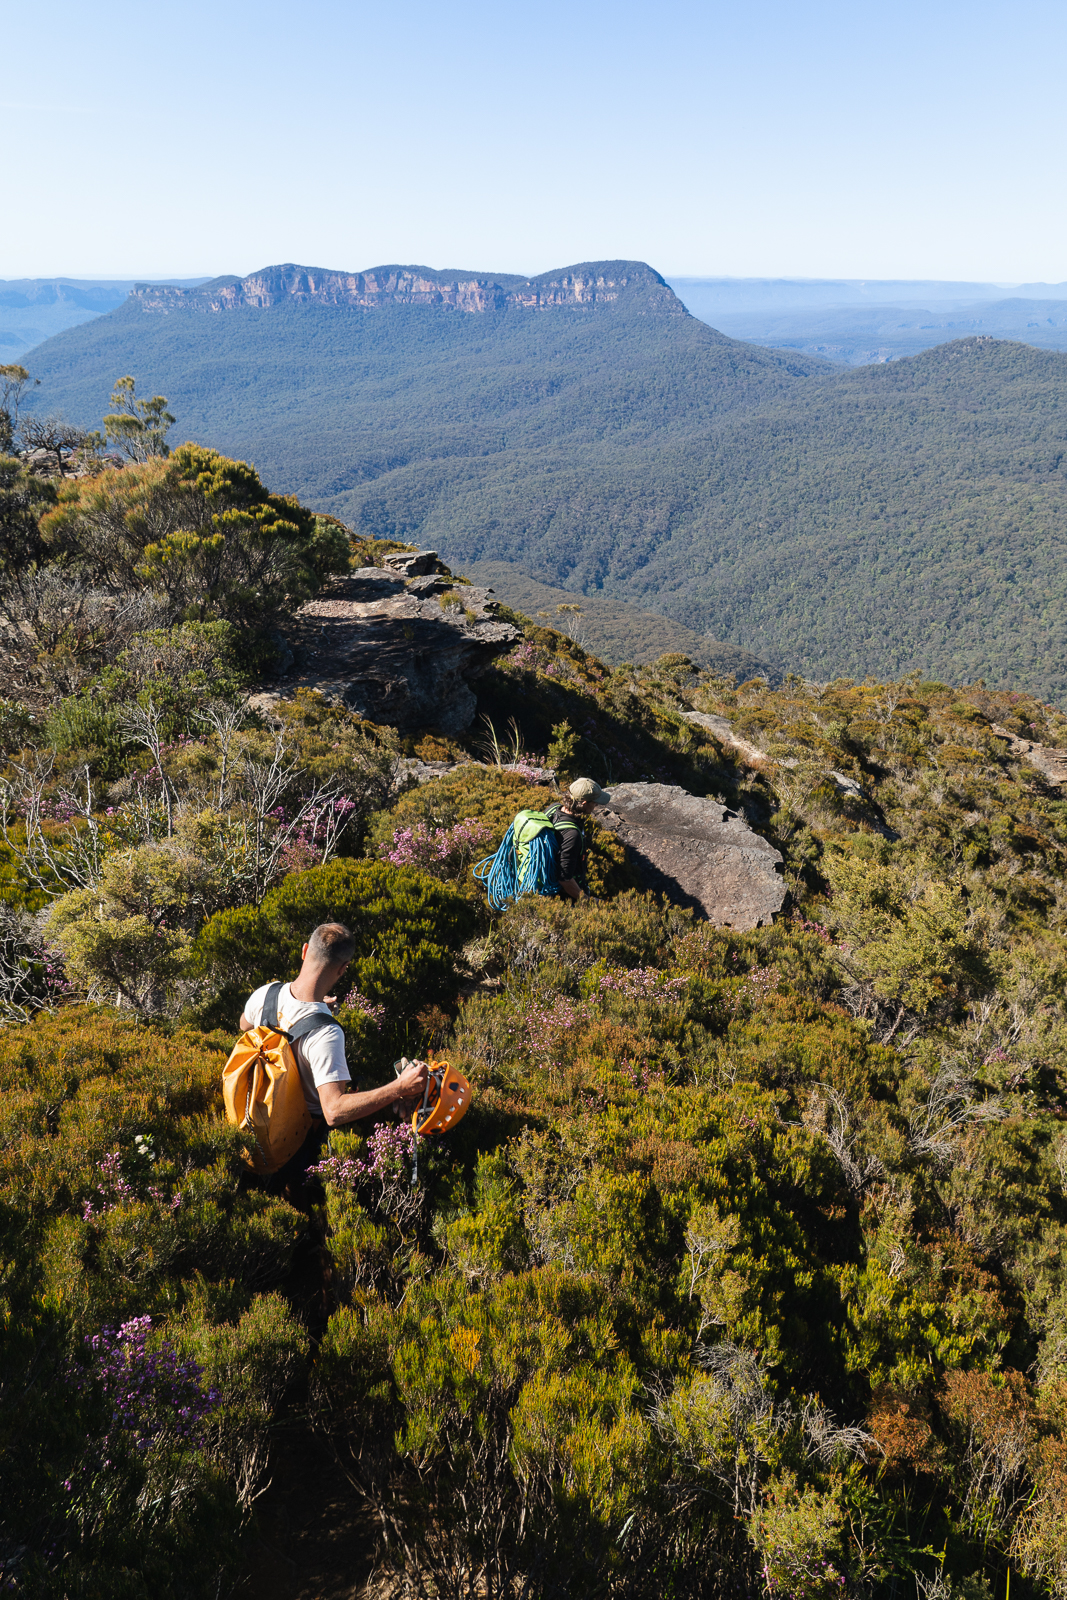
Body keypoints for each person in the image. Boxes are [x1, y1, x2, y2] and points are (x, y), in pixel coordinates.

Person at [239, 921, 428, 1188]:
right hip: (295, 1146)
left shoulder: (266, 994)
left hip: (251, 1121)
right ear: (343, 969)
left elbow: (244, 1025)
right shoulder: (326, 1034)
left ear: (305, 951)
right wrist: (399, 1087)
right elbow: (334, 1111)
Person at [548, 778, 611, 902]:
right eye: (594, 802)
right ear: (584, 802)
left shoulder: (554, 809)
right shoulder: (572, 834)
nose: (596, 805)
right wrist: (588, 901)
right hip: (564, 898)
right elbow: (564, 879)